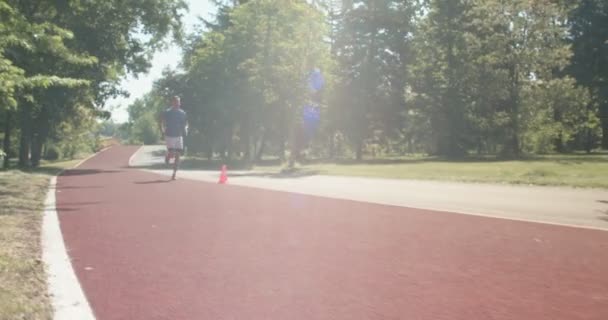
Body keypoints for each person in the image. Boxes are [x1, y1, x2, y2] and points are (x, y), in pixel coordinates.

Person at [160, 96, 188, 180]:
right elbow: (161, 121)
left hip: (179, 135)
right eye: (175, 102)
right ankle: (168, 155)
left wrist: (186, 129)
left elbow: (186, 123)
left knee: (178, 155)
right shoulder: (167, 112)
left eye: (178, 102)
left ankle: (174, 174)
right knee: (172, 153)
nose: (177, 103)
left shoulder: (182, 113)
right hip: (169, 135)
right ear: (172, 103)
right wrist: (162, 129)